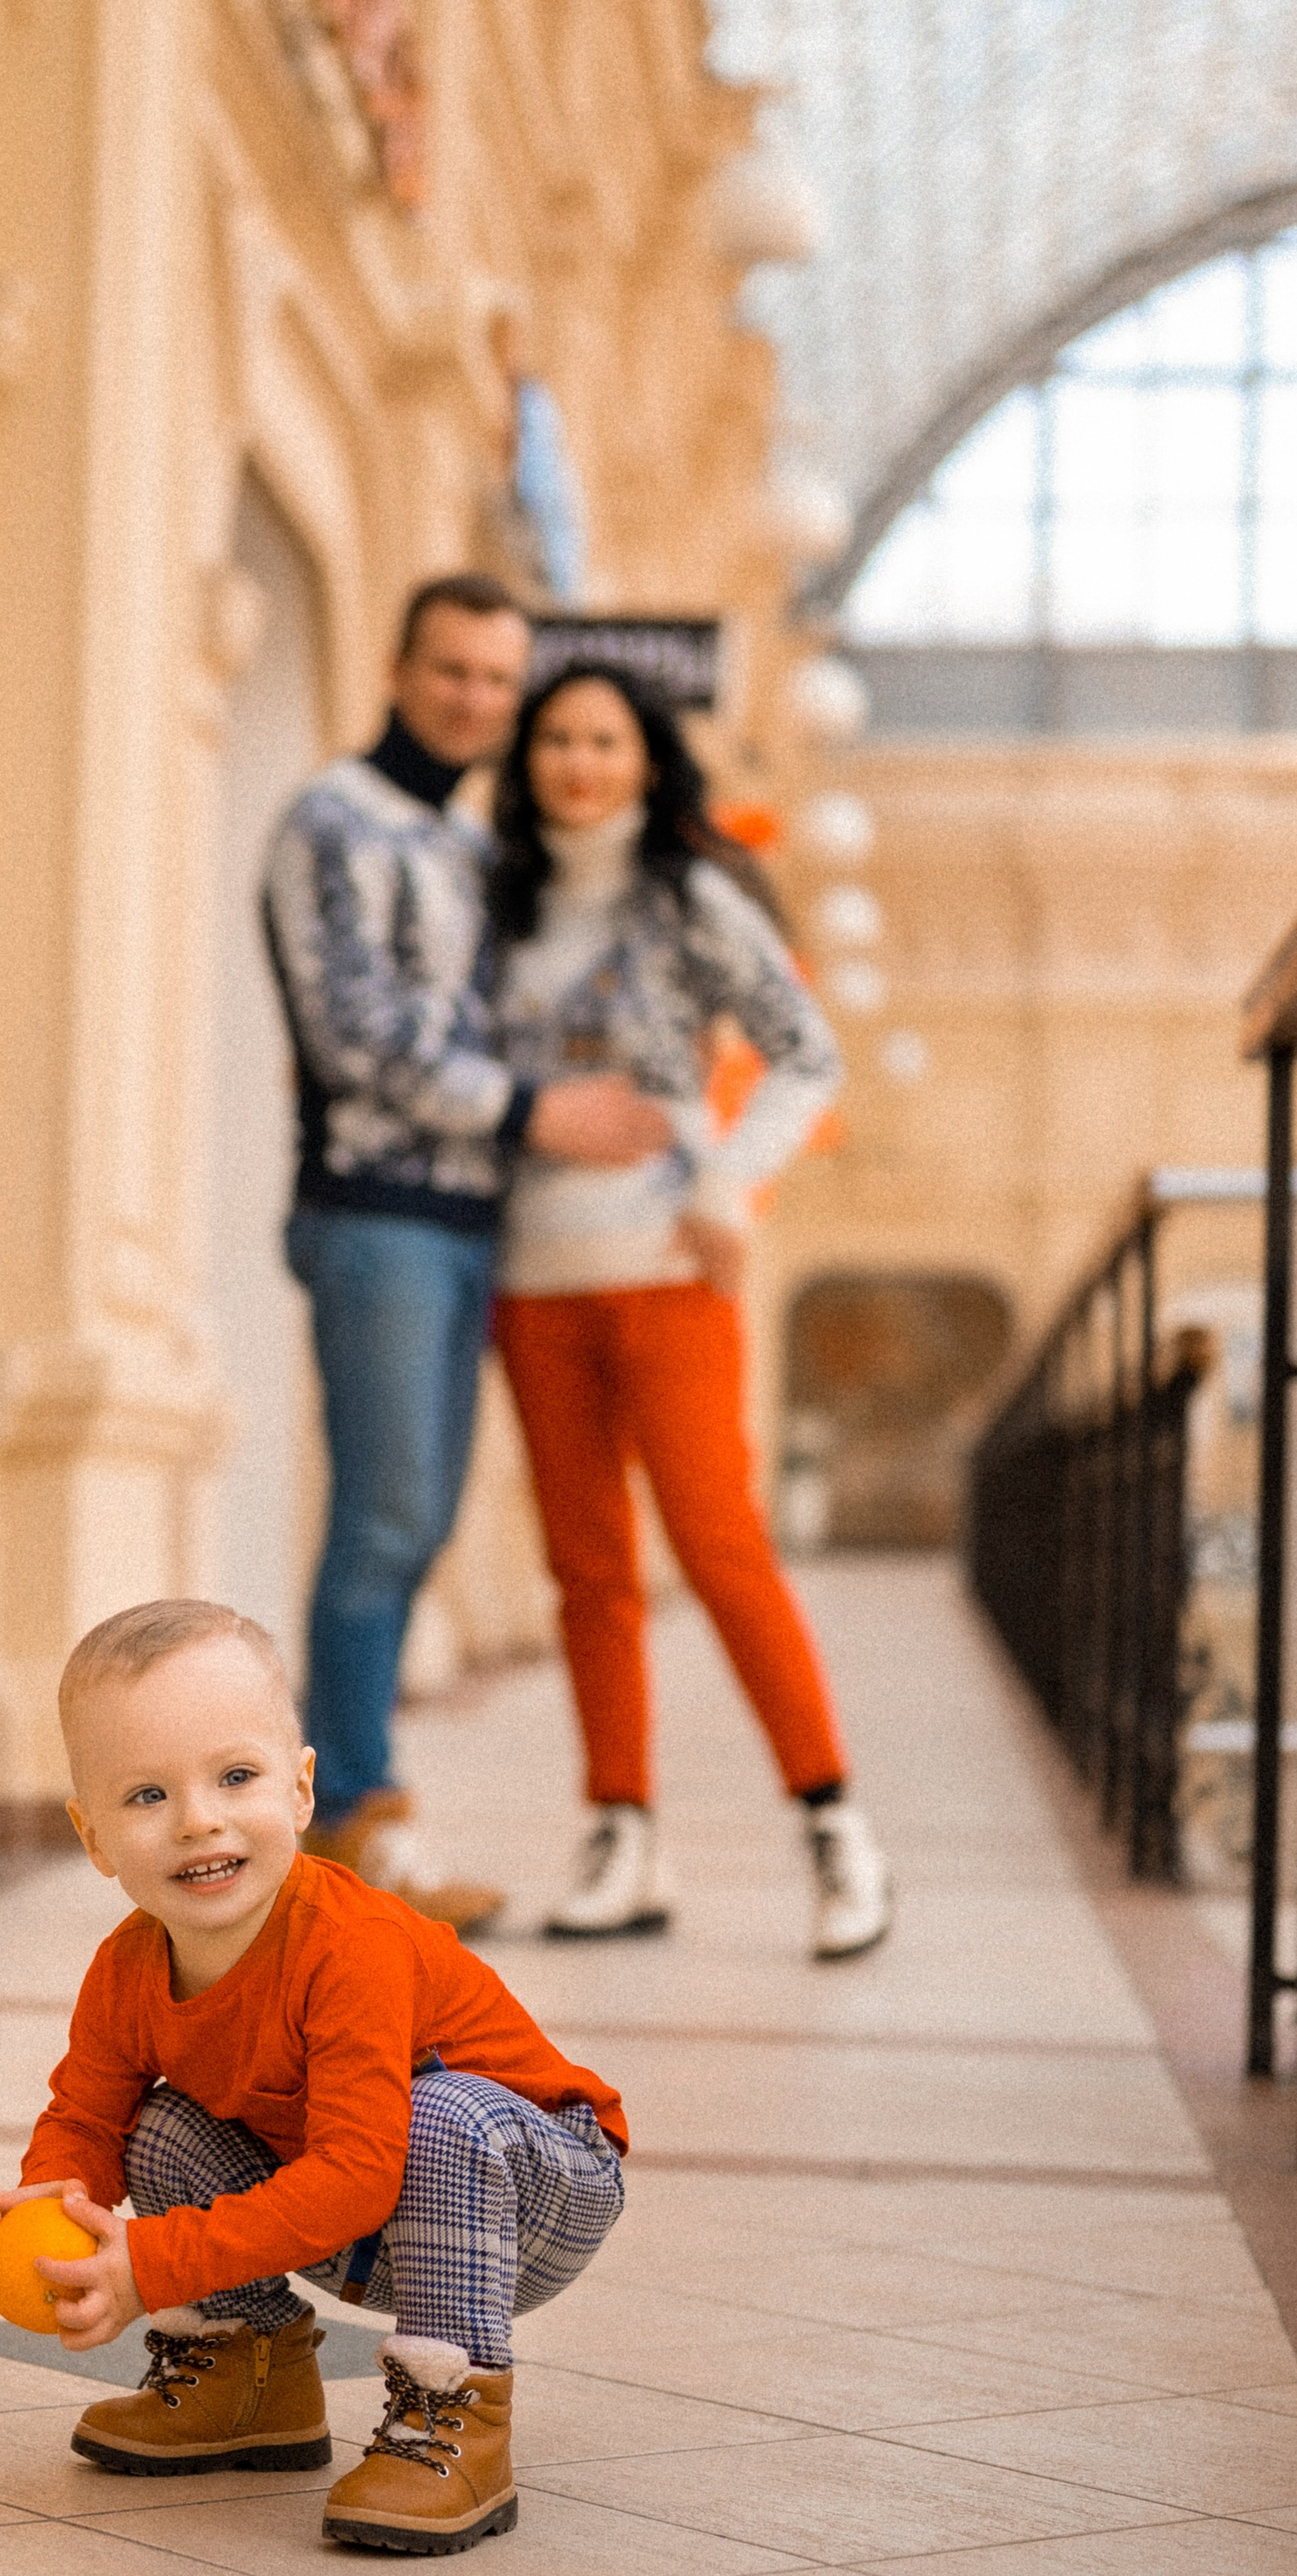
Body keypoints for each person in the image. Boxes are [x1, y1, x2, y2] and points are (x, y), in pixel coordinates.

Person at [0, 1598, 628, 2555]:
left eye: (236, 1776)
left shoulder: (349, 1945)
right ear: (92, 1835)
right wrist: (46, 2208)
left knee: (438, 2116)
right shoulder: (127, 1969)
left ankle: (456, 2417)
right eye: (147, 1796)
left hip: (532, 2190)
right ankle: (250, 2375)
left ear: (303, 1791)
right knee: (161, 2123)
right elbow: (87, 2118)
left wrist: (150, 2264)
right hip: (373, 2211)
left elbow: (360, 2172)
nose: (199, 1821)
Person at [262, 573, 663, 1932]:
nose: (478, 701)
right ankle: (346, 1831)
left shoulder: (478, 847)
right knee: (384, 1515)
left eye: (499, 680)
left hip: (473, 1230)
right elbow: (355, 1034)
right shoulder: (331, 822)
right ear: (399, 666)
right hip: (375, 1215)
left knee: (419, 1516)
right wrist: (538, 1110)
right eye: (453, 672)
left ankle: (358, 1818)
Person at [485, 662, 892, 1958]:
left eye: (605, 739)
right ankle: (621, 1833)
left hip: (669, 1270)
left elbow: (806, 1051)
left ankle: (834, 1827)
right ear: (530, 756)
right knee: (586, 1573)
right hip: (530, 1281)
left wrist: (727, 1179)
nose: (580, 762)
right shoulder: (495, 898)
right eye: (556, 739)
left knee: (720, 1549)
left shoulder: (692, 893)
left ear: (648, 761)